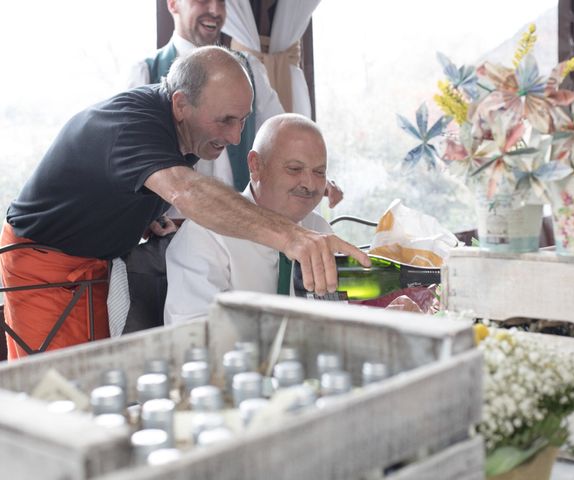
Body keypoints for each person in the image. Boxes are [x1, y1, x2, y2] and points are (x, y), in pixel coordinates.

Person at [0, 46, 369, 360]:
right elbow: (187, 191)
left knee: (96, 380)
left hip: (97, 263)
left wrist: (142, 217)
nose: (236, 137)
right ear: (180, 104)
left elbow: (118, 186)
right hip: (43, 263)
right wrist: (293, 237)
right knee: (58, 389)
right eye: (225, 120)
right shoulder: (132, 124)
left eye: (242, 121)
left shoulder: (187, 129)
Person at [128, 0, 343, 205]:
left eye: (222, 1)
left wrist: (312, 176)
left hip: (243, 227)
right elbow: (135, 161)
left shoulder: (250, 68)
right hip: (172, 230)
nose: (215, 10)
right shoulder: (145, 73)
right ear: (173, 4)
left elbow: (281, 134)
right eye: (203, 0)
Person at [165, 113, 331, 325]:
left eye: (319, 172)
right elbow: (193, 333)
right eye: (294, 169)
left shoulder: (320, 228)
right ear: (256, 166)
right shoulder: (204, 233)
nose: (309, 183)